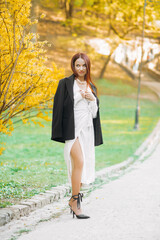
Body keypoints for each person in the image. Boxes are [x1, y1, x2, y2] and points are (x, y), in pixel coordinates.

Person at [51, 52, 103, 219]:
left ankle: (75, 200)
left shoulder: (91, 87)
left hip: (87, 130)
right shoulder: (65, 84)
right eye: (77, 65)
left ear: (88, 67)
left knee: (82, 165)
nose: (80, 68)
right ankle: (75, 200)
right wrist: (79, 97)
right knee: (79, 162)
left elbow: (95, 114)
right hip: (72, 130)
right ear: (73, 66)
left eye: (83, 65)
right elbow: (60, 107)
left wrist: (92, 100)